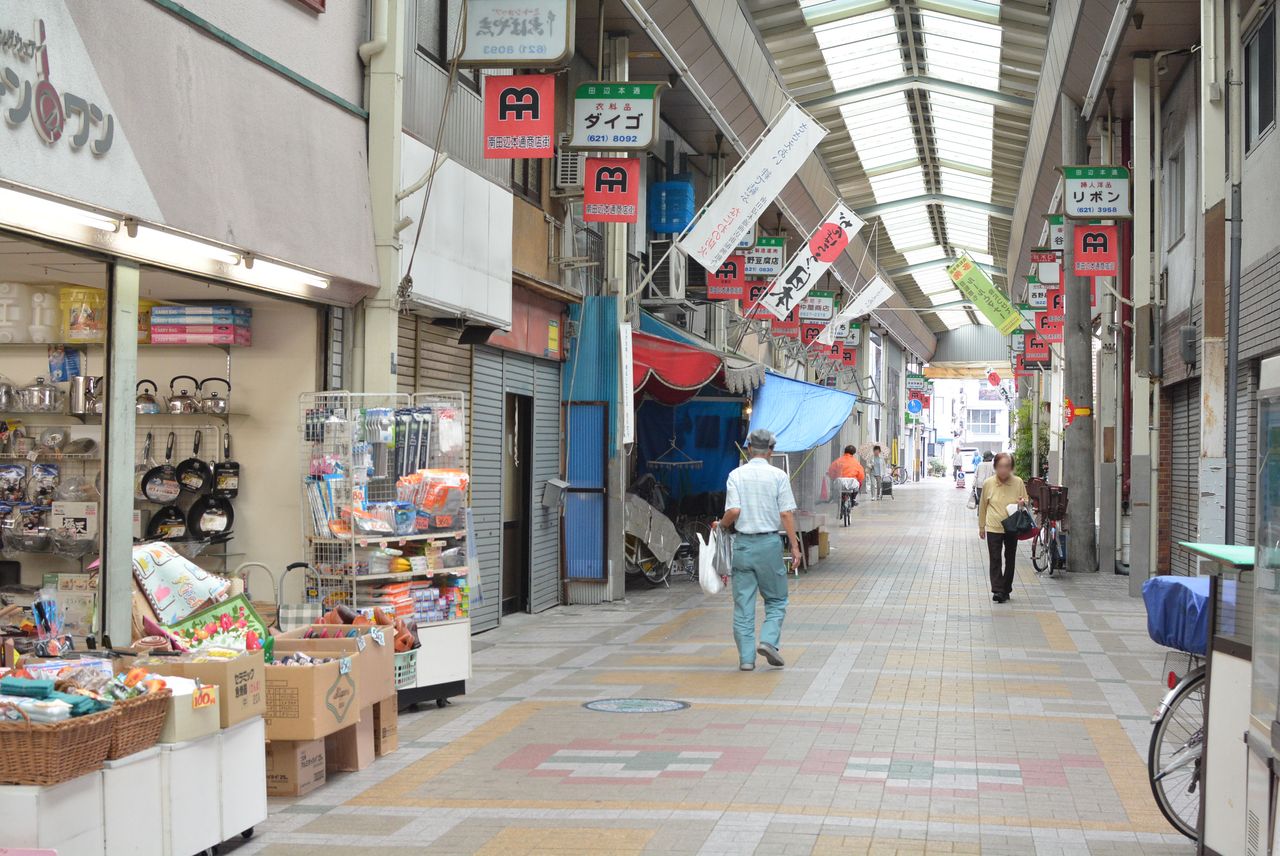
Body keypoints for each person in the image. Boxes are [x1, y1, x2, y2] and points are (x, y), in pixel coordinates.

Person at [718, 428, 802, 671]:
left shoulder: (736, 474)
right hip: (768, 545)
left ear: (748, 449)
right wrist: (794, 547)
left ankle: (746, 660)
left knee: (744, 604)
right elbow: (785, 513)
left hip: (742, 545)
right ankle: (768, 640)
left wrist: (721, 525)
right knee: (776, 599)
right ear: (771, 451)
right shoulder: (779, 476)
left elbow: (733, 512)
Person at [977, 452, 1030, 603]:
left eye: (1007, 466)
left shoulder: (1018, 482)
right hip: (993, 526)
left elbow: (1026, 500)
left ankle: (1006, 588)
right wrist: (982, 526)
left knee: (1010, 558)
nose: (1003, 470)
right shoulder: (988, 483)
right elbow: (983, 506)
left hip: (1011, 526)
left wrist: (1022, 502)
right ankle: (998, 590)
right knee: (995, 559)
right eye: (1000, 466)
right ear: (995, 467)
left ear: (1011, 467)